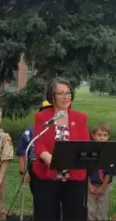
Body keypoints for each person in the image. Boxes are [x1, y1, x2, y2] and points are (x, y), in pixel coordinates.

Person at [32, 77, 91, 221]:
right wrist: (48, 158)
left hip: (74, 176)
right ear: (52, 96)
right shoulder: (42, 116)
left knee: (74, 215)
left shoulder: (80, 118)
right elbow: (39, 142)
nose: (66, 97)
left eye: (68, 92)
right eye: (60, 93)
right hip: (47, 176)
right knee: (46, 214)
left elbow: (85, 143)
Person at [16, 100, 52, 194]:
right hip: (36, 170)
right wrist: (23, 172)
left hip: (57, 171)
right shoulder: (30, 131)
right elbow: (22, 153)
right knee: (39, 197)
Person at [88, 123, 114, 221]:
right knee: (91, 211)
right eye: (99, 135)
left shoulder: (111, 151)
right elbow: (85, 169)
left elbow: (110, 170)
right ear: (93, 136)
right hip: (91, 184)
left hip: (105, 185)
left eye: (105, 135)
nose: (102, 138)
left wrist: (104, 185)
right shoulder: (89, 151)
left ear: (108, 136)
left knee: (103, 211)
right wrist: (89, 185)